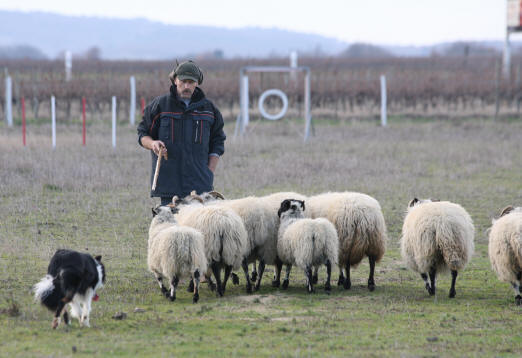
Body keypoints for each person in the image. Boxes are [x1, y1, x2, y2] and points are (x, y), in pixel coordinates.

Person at [137, 60, 226, 205]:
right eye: (183, 81)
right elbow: (142, 133)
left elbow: (218, 141)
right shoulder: (160, 105)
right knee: (168, 227)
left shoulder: (209, 110)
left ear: (197, 83)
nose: (186, 86)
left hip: (200, 185)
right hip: (169, 183)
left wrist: (209, 171)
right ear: (175, 80)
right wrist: (153, 143)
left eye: (191, 82)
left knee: (198, 226)